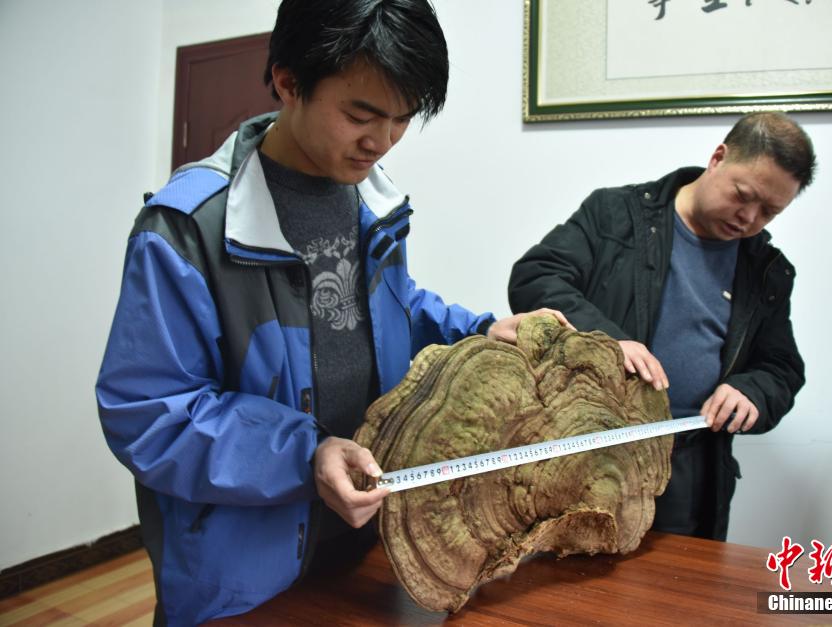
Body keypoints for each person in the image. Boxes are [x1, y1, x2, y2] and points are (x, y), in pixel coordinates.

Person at [95, 1, 568, 624]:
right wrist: (305, 455)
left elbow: (391, 308)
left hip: (370, 545)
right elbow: (150, 413)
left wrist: (481, 330)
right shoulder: (188, 228)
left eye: (402, 119)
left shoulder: (372, 199)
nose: (381, 141)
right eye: (360, 115)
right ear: (289, 82)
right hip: (242, 571)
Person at [508, 112, 815, 542]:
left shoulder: (766, 270)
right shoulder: (616, 215)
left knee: (676, 583)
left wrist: (752, 391)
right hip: (583, 450)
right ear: (718, 158)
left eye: (770, 211)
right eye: (743, 195)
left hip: (688, 467)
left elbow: (781, 368)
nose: (749, 217)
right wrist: (607, 342)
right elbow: (536, 277)